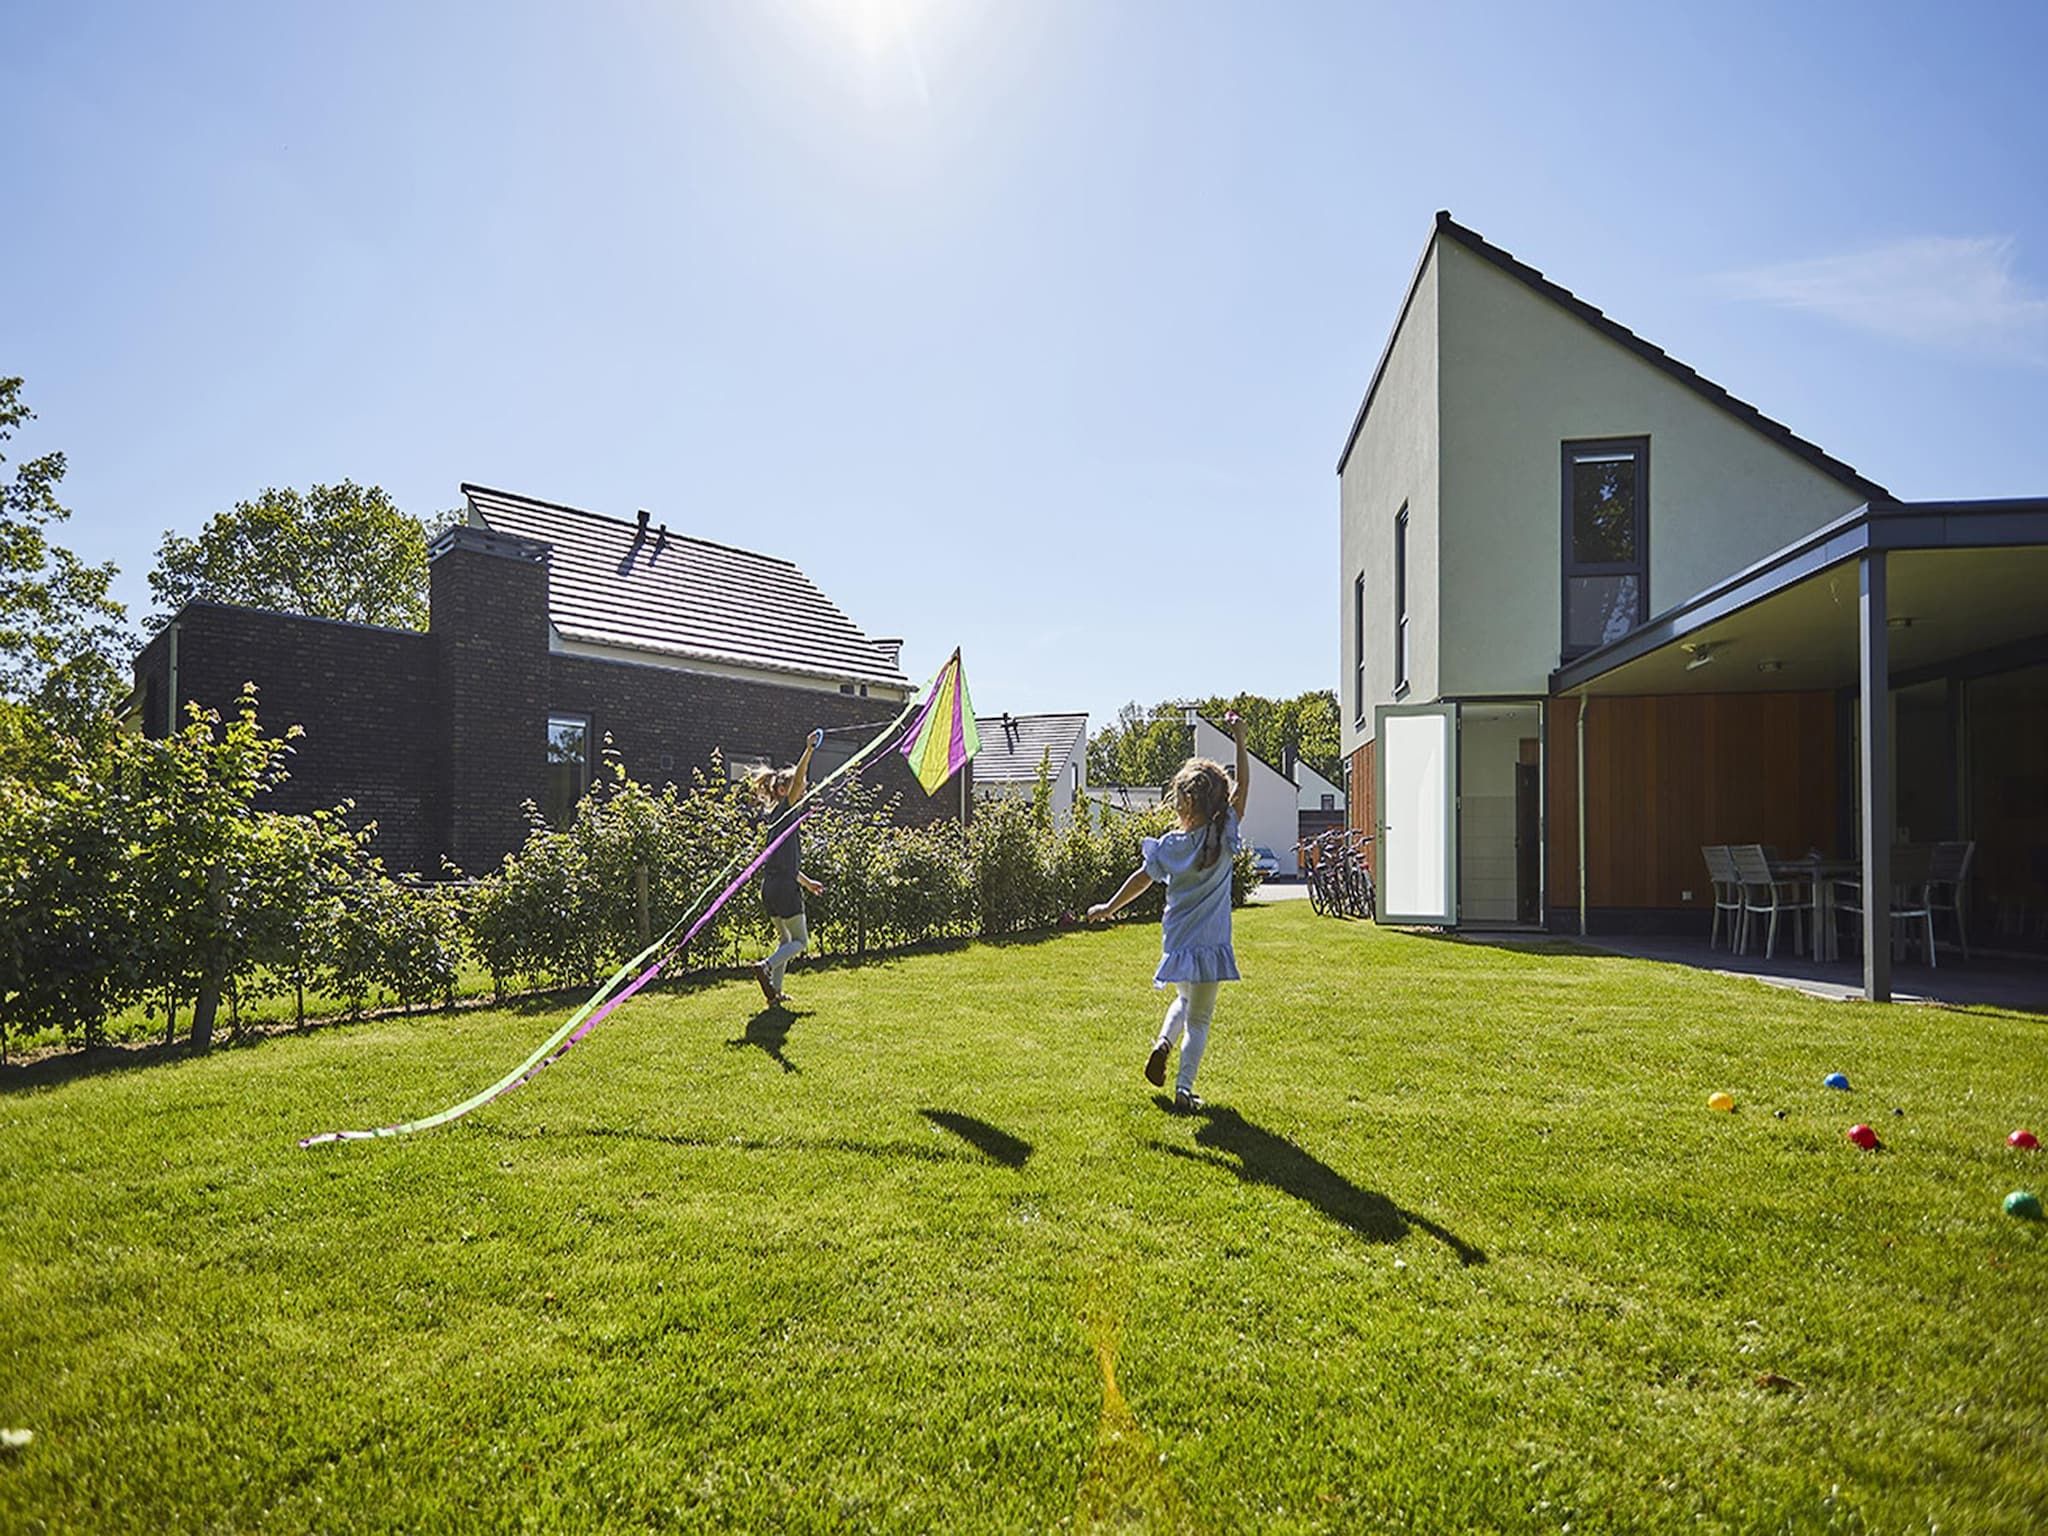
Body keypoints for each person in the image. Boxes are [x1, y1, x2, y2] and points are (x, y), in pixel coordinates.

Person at [1086, 713, 1249, 1110]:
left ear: (1181, 803)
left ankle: (1162, 1043)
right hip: (1210, 944)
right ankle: (1184, 1089)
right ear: (1218, 802)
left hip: (1178, 940)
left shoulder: (1171, 846)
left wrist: (1108, 907)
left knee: (1183, 1000)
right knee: (1201, 1019)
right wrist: (1240, 740)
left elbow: (1141, 879)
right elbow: (1243, 786)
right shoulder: (1224, 833)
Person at [749, 728, 826, 1007]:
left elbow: (786, 865)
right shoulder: (787, 809)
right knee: (801, 942)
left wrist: (807, 883)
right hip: (782, 889)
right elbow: (798, 780)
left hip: (770, 887)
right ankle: (766, 966)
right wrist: (809, 751)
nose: (803, 788)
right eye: (797, 785)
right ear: (784, 790)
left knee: (786, 942)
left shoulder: (778, 819)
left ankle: (775, 995)